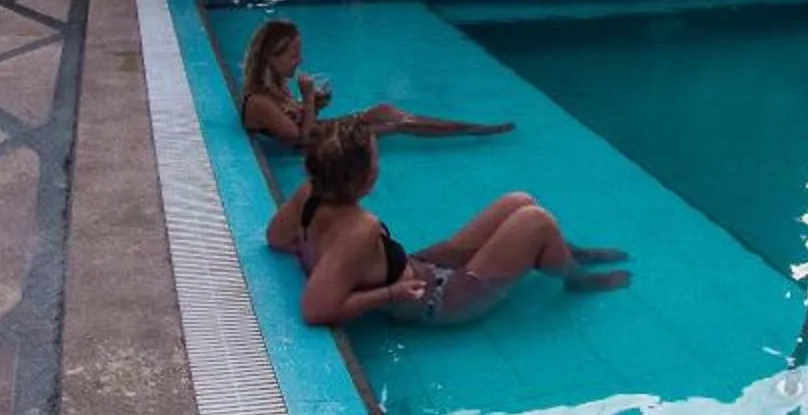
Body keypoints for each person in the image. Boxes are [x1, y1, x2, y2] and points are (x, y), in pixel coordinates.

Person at [265, 121, 626, 327]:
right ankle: (575, 279)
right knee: (537, 221)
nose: (380, 164)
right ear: (364, 178)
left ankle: (565, 254)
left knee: (520, 201)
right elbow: (315, 310)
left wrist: (318, 252)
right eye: (376, 159)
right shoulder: (360, 229)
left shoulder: (309, 193)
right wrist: (389, 293)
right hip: (442, 300)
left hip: (422, 266)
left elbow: (276, 239)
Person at [239, 18, 512, 147]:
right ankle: (469, 133)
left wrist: (316, 104)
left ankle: (465, 126)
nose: (299, 61)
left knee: (384, 109)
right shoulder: (259, 102)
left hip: (326, 130)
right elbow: (302, 141)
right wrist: (309, 99)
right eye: (292, 55)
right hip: (323, 143)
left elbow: (302, 120)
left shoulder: (277, 83)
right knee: (397, 125)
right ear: (270, 57)